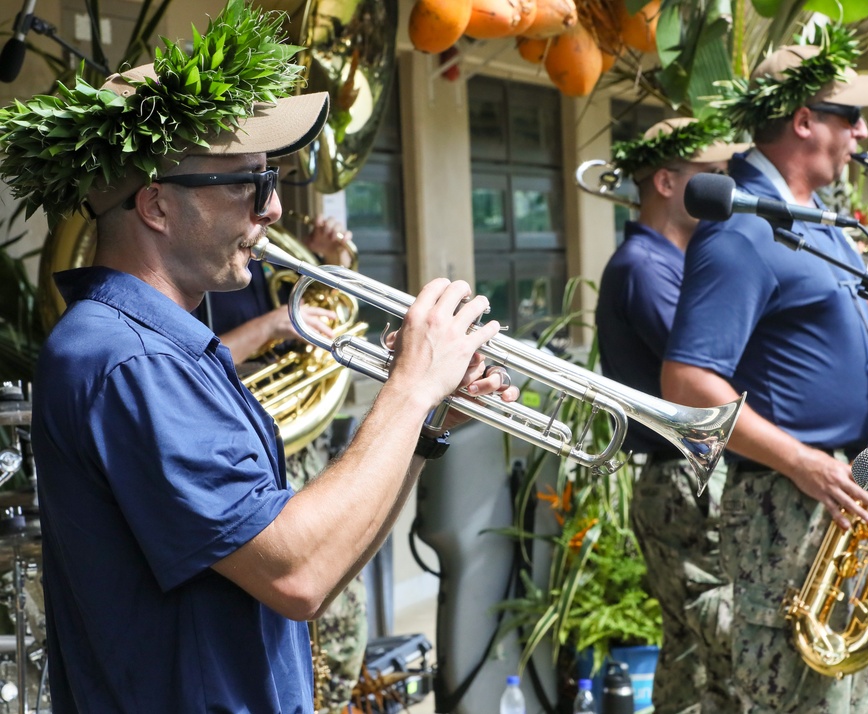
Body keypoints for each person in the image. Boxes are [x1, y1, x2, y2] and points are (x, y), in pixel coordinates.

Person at [0, 2, 517, 710]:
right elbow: (296, 575)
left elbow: (321, 559)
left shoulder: (164, 347)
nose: (272, 209)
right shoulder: (128, 360)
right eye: (251, 182)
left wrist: (425, 429)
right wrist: (407, 389)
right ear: (156, 206)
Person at [661, 29, 868, 713]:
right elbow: (685, 384)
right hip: (788, 502)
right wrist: (803, 462)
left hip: (842, 488)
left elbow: (829, 354)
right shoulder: (741, 229)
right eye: (848, 115)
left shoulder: (813, 222)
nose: (861, 131)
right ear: (803, 121)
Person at [594, 116, 747, 714]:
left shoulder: (665, 262)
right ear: (665, 181)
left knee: (690, 662)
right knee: (734, 655)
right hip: (683, 480)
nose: (725, 190)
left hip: (684, 479)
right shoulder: (644, 266)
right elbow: (712, 375)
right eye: (711, 177)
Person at [198, 215, 368, 711]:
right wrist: (272, 326)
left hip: (297, 437)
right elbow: (187, 364)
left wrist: (326, 266)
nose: (272, 206)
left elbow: (315, 322)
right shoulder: (199, 271)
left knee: (341, 614)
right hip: (239, 447)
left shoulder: (262, 253)